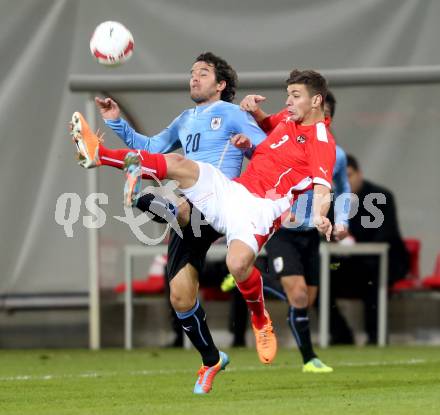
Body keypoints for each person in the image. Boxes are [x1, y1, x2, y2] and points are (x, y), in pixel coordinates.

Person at [70, 68, 336, 391]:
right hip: (233, 190)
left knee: (237, 264)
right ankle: (101, 156)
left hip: (261, 208)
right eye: (289, 95)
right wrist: (256, 112)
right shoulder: (289, 117)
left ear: (316, 101)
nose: (289, 101)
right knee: (181, 165)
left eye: (295, 96)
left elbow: (323, 188)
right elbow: (268, 129)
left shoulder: (322, 141)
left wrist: (322, 215)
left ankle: (260, 318)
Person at [90, 52, 267, 393]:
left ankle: (134, 189)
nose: (194, 78)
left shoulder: (233, 114)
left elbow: (264, 152)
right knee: (180, 298)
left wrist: (246, 148)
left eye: (203, 73)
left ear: (221, 84)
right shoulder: (185, 119)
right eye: (191, 73)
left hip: (221, 203)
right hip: (190, 214)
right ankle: (211, 359)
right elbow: (149, 146)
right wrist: (115, 121)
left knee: (174, 168)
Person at [237, 89, 350, 372]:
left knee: (305, 300)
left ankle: (257, 274)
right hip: (283, 229)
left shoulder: (335, 154)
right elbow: (266, 164)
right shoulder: (289, 135)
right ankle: (310, 359)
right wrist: (248, 148)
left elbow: (343, 188)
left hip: (310, 232)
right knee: (298, 295)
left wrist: (343, 221)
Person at [329, 154, 409, 345]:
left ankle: (376, 337)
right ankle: (340, 335)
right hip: (345, 266)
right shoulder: (330, 202)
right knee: (315, 280)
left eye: (348, 176)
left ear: (359, 174)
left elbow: (386, 236)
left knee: (373, 279)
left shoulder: (380, 197)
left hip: (381, 264)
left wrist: (353, 244)